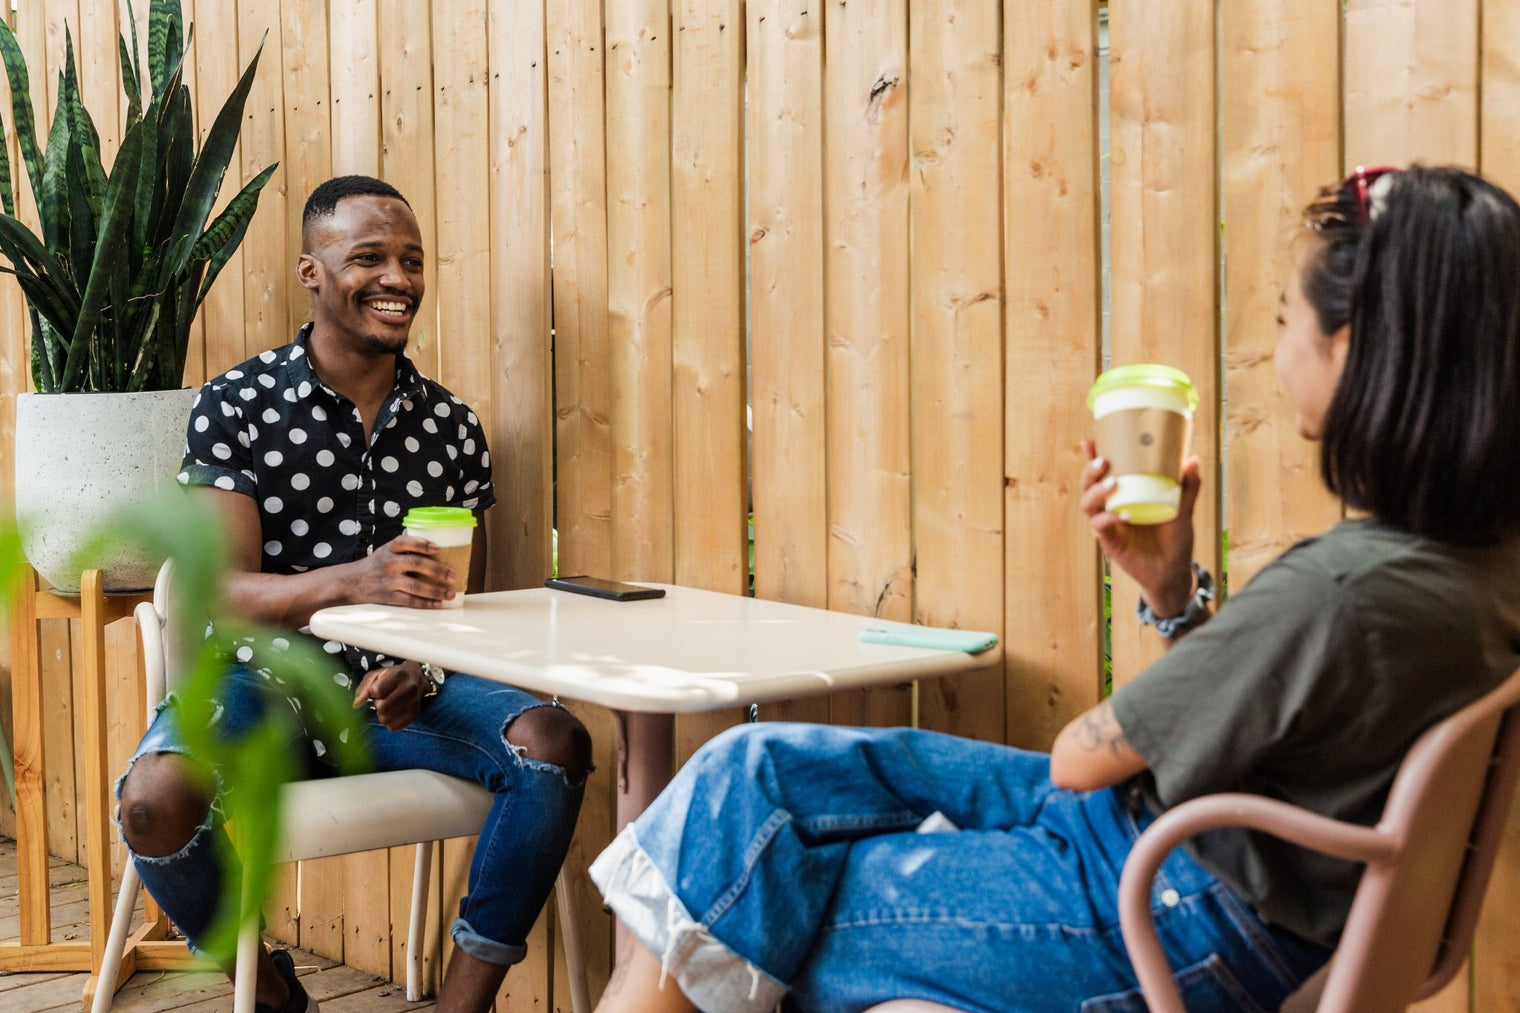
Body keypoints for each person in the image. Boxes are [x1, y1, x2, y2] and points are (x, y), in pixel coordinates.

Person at [586, 164, 1520, 1012]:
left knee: (741, 896)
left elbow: (1083, 756)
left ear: (1351, 347)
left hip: (1161, 907)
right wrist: (1169, 587)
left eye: (1285, 319)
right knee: (745, 781)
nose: (1279, 350)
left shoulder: (1341, 591)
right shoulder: (1472, 572)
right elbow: (1284, 729)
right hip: (1210, 884)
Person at [114, 175, 593, 1013]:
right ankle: (265, 990)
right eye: (368, 257)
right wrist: (355, 580)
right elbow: (220, 592)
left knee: (553, 742)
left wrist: (420, 666)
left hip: (403, 702)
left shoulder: (451, 426)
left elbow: (451, 602)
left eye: (411, 260)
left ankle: (462, 1003)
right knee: (154, 803)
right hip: (264, 683)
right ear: (311, 271)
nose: (398, 278)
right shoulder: (237, 405)